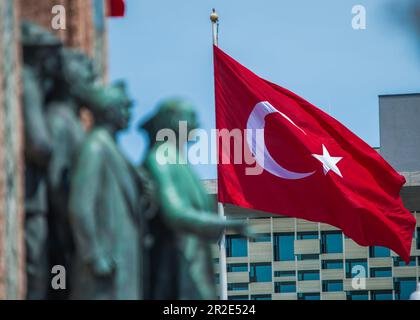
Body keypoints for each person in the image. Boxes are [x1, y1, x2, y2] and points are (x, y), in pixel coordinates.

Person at [140, 98, 250, 299]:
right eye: (190, 117)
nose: (197, 123)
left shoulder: (178, 160)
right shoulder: (161, 158)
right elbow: (176, 213)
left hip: (194, 265)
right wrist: (228, 223)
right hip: (178, 267)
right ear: (172, 121)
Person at [69, 81, 149, 299]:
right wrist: (95, 255)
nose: (128, 114)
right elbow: (80, 206)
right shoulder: (95, 147)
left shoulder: (115, 151)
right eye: (124, 107)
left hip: (122, 267)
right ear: (109, 111)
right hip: (105, 268)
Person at [21, 21, 62, 300]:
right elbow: (40, 145)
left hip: (35, 196)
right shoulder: (28, 82)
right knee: (36, 265)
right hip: (31, 196)